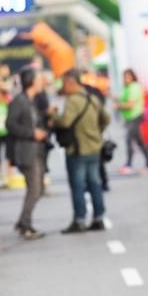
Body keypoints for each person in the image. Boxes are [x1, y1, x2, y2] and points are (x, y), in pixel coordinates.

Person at [54, 69, 111, 233]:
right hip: (94, 148)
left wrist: (53, 117)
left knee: (78, 185)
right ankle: (99, 217)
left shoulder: (73, 101)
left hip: (78, 150)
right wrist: (96, 132)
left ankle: (79, 220)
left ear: (72, 82)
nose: (63, 87)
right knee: (95, 184)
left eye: (64, 83)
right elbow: (106, 118)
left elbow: (65, 122)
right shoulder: (92, 98)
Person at [5, 68, 47, 239]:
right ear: (31, 81)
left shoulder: (31, 101)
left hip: (36, 150)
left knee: (38, 188)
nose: (42, 81)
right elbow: (10, 124)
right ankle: (25, 225)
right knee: (35, 190)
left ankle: (23, 221)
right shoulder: (19, 101)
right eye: (38, 79)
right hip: (25, 151)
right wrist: (32, 133)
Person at [114, 68, 148, 173]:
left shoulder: (134, 87)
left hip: (135, 116)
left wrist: (119, 106)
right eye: (125, 77)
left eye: (128, 76)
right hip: (129, 118)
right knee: (139, 141)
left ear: (132, 77)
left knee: (128, 140)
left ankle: (129, 164)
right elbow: (122, 100)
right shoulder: (126, 88)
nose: (126, 79)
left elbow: (130, 104)